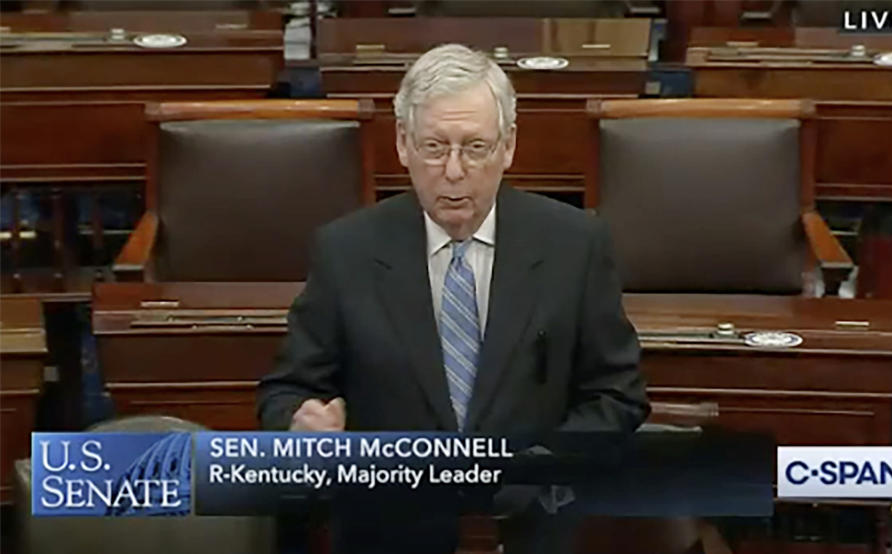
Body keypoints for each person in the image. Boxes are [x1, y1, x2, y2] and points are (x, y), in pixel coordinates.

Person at [257, 43, 649, 554]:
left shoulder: (575, 245)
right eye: (435, 147)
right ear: (403, 144)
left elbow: (618, 396)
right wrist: (300, 423)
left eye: (476, 147)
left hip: (530, 529)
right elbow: (286, 389)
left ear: (508, 146)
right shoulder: (346, 251)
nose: (455, 171)